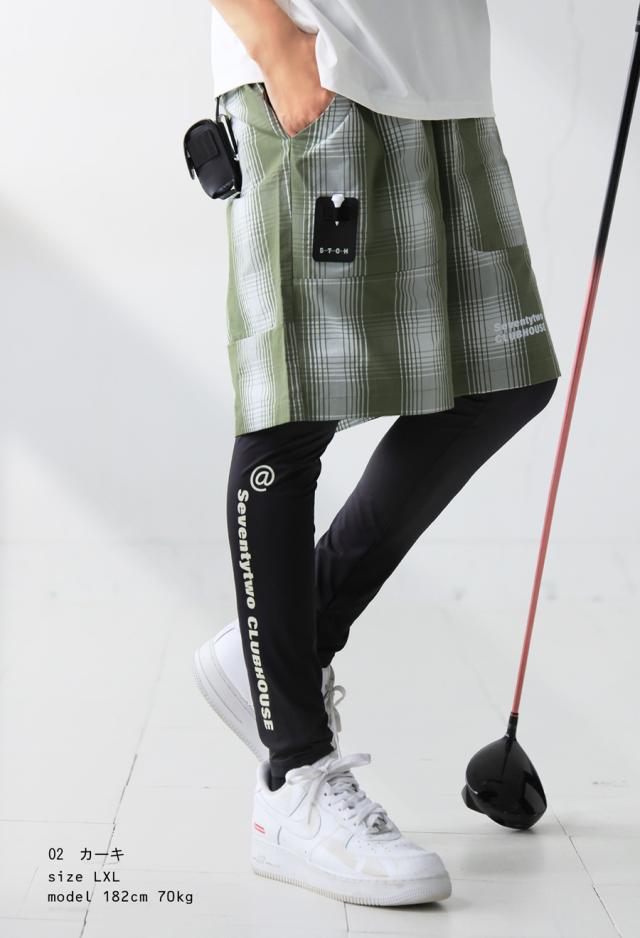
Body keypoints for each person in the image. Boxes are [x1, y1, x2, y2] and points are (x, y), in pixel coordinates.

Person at [192, 0, 561, 907]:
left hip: (446, 91)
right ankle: (292, 778)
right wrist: (277, 45)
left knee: (504, 378)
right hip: (321, 73)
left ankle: (282, 647)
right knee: (291, 414)